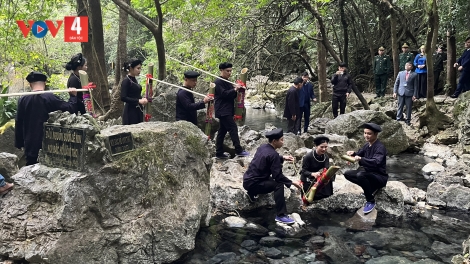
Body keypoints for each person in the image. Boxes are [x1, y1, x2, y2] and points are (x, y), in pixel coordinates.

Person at [15, 71, 78, 166]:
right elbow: (70, 109)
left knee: (31, 171)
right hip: (50, 145)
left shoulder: (22, 100)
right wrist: (73, 96)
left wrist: (19, 143)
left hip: (30, 144)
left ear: (30, 84)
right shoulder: (50, 98)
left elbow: (19, 122)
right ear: (44, 83)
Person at [243, 128, 302, 224]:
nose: (283, 142)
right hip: (255, 183)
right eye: (281, 140)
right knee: (279, 184)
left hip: (247, 181)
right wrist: (292, 182)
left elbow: (268, 156)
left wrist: (283, 157)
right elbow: (278, 176)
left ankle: (251, 193)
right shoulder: (273, 154)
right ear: (274, 141)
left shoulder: (263, 147)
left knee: (269, 179)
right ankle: (281, 215)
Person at [344, 123, 388, 214]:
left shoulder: (380, 147)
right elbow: (359, 154)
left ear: (375, 134)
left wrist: (361, 159)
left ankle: (371, 200)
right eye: (365, 133)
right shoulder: (367, 145)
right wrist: (353, 154)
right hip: (369, 174)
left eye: (369, 134)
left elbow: (376, 162)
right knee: (347, 173)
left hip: (379, 177)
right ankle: (370, 188)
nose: (366, 136)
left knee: (360, 175)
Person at [214, 62, 249, 158]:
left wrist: (238, 89)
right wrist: (234, 89)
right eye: (227, 71)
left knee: (222, 131)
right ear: (221, 70)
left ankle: (219, 152)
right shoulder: (218, 82)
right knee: (233, 128)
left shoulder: (228, 82)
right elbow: (224, 94)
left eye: (230, 71)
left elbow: (233, 95)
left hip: (228, 109)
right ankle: (238, 150)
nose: (229, 73)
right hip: (222, 110)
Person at [300, 136, 332, 201]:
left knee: (330, 178)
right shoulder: (308, 157)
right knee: (309, 196)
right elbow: (303, 171)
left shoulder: (326, 157)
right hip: (308, 177)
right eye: (321, 147)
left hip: (318, 177)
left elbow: (326, 168)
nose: (324, 149)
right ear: (316, 146)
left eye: (326, 147)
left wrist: (326, 176)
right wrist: (312, 174)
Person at [121, 58, 147, 125]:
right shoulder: (126, 81)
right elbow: (123, 97)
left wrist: (142, 99)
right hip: (130, 112)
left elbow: (135, 94)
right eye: (138, 68)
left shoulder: (134, 79)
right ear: (131, 68)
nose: (139, 70)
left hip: (138, 110)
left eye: (140, 68)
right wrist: (138, 101)